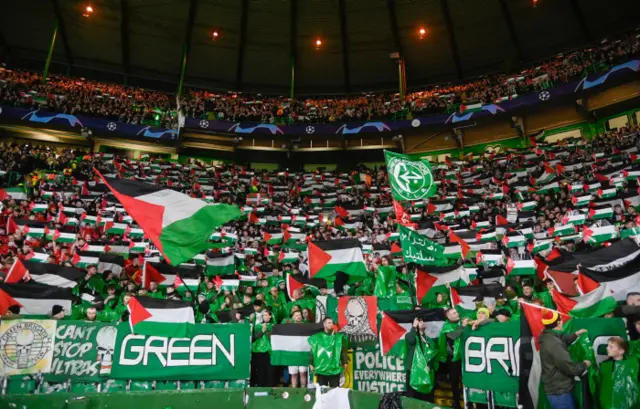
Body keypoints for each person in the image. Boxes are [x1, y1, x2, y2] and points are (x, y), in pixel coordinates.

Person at [539, 309, 590, 409]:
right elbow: (571, 369)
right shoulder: (555, 343)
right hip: (559, 391)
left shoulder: (548, 336)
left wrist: (575, 335)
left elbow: (561, 341)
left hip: (556, 388)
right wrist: (585, 364)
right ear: (558, 323)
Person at [597, 337, 640, 409]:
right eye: (608, 346)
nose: (607, 348)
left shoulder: (632, 365)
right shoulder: (604, 366)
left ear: (621, 351)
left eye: (611, 347)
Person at [309, 317, 348, 388]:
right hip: (321, 369)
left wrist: (345, 362)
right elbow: (313, 351)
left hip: (334, 369)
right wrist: (311, 363)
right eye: (329, 323)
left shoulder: (338, 338)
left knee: (335, 390)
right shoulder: (317, 338)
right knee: (322, 391)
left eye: (332, 323)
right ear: (324, 325)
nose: (331, 324)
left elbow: (343, 351)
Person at [405, 316, 436, 401]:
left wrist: (429, 365)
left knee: (426, 397)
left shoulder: (429, 340)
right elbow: (411, 340)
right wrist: (414, 327)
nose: (422, 322)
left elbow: (433, 354)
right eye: (420, 321)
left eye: (423, 321)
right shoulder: (410, 335)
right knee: (413, 397)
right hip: (413, 370)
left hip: (426, 371)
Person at [250, 309, 276, 387]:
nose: (264, 316)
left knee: (269, 370)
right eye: (263, 315)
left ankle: (269, 385)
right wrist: (262, 331)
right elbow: (255, 337)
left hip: (270, 350)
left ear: (270, 316)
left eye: (266, 315)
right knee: (260, 369)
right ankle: (260, 385)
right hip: (259, 351)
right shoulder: (258, 326)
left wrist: (267, 331)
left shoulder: (274, 326)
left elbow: (274, 337)